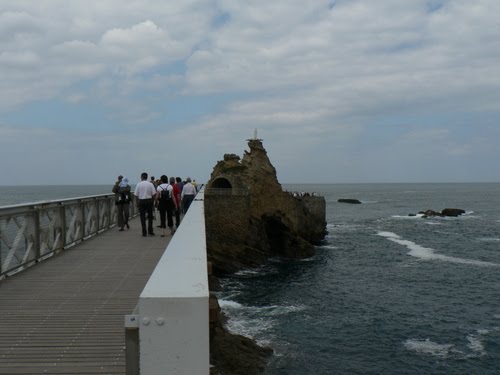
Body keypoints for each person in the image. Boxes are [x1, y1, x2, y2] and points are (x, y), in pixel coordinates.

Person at [134, 172, 157, 237]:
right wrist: (153, 201)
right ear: (147, 177)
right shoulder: (150, 184)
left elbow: (136, 195)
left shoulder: (138, 184)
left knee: (142, 217)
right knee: (150, 216)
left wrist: (137, 203)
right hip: (149, 201)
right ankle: (150, 231)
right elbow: (154, 194)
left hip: (141, 201)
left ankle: (144, 232)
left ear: (141, 177)